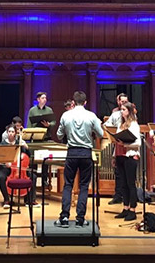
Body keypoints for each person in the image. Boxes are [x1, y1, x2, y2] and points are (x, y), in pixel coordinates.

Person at [55, 90, 103, 228]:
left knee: (68, 185)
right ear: (85, 102)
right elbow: (100, 134)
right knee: (83, 186)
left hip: (72, 153)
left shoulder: (66, 115)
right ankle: (80, 219)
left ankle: (64, 217)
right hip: (86, 153)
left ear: (73, 102)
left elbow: (59, 135)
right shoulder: (91, 115)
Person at [114, 101, 141, 222]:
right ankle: (125, 208)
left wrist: (125, 144)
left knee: (131, 184)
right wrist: (114, 156)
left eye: (124, 109)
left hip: (130, 156)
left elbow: (138, 143)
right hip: (120, 156)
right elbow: (117, 142)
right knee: (123, 184)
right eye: (121, 109)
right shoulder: (121, 124)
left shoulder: (134, 124)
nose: (122, 111)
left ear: (129, 111)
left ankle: (132, 210)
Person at [0, 125, 32, 209]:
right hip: (6, 167)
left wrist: (26, 147)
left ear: (15, 133)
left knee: (32, 176)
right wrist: (5, 162)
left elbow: (28, 155)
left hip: (18, 167)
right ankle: (6, 200)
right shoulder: (3, 143)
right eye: (9, 131)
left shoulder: (19, 142)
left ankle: (29, 200)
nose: (10, 133)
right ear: (7, 132)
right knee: (1, 177)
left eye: (12, 132)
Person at [105, 92, 129, 205]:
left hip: (129, 147)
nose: (123, 103)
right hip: (118, 145)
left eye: (125, 101)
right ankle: (118, 195)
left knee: (128, 173)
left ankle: (127, 197)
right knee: (118, 172)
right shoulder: (115, 115)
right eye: (122, 101)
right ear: (118, 102)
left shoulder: (131, 114)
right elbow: (107, 125)